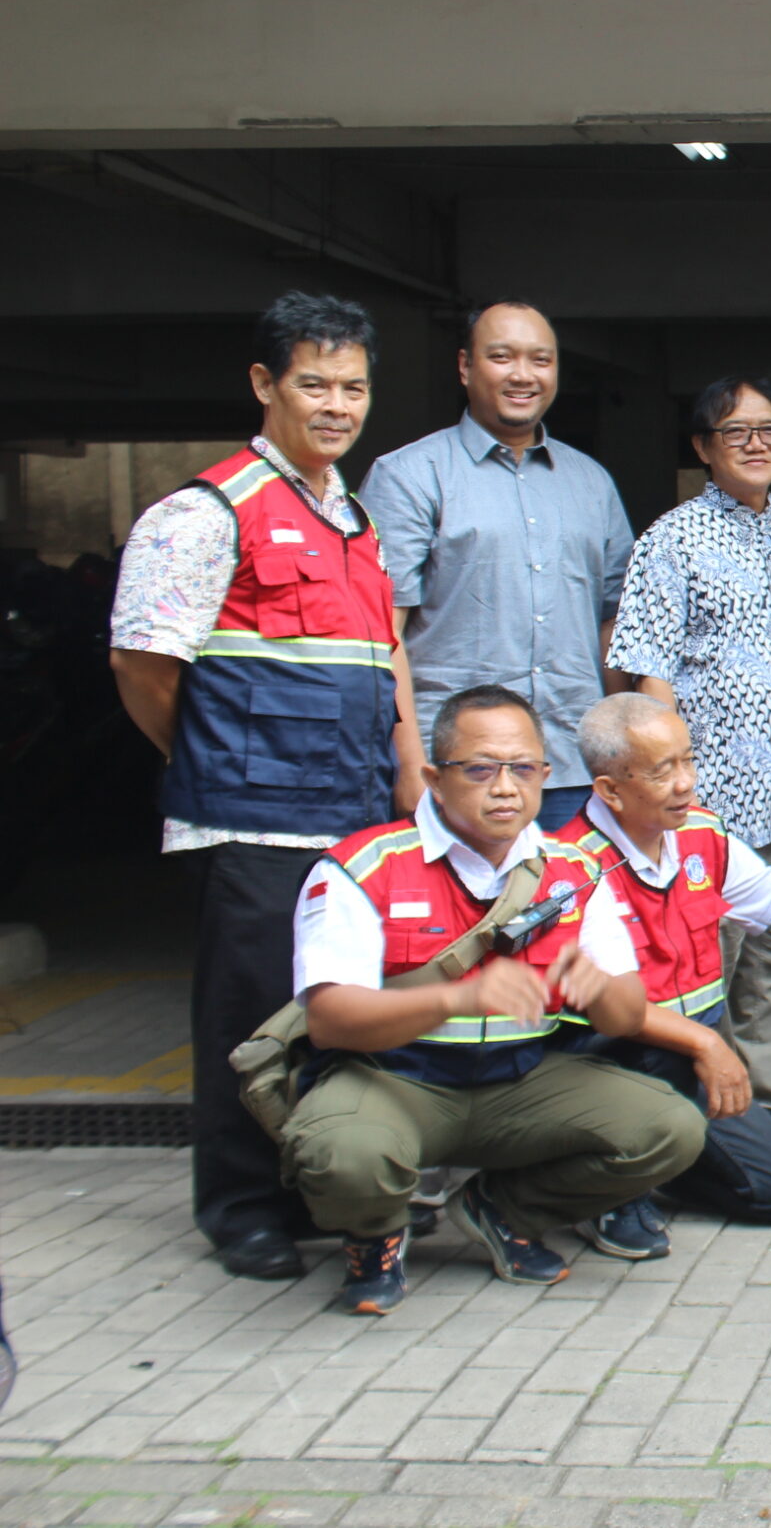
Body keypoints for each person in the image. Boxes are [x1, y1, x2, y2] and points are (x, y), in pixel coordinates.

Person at [107, 291, 425, 1282]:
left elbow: (386, 658)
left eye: (353, 387)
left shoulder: (355, 517)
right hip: (252, 819)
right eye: (314, 383)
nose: (336, 405)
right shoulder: (205, 513)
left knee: (334, 1012)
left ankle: (314, 1186)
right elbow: (142, 668)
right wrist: (207, 758)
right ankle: (243, 1208)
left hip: (354, 822)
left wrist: (409, 780)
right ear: (266, 384)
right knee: (249, 1021)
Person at [280, 686, 705, 1316]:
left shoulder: (574, 870)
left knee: (670, 1130)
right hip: (395, 1077)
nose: (505, 788)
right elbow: (330, 1020)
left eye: (523, 769)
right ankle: (375, 1234)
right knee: (344, 1156)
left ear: (544, 775)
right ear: (434, 778)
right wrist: (460, 998)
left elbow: (625, 1017)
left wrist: (600, 987)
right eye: (480, 769)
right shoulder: (361, 866)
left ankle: (502, 1210)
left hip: (520, 1079)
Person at [608, 375, 771, 1164]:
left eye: (770, 428)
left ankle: (770, 1117)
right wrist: (670, 790)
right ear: (704, 447)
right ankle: (699, 1127)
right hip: (711, 800)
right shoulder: (670, 540)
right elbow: (647, 674)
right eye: (735, 430)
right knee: (712, 962)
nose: (755, 442)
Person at [552, 693, 771, 1257]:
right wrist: (706, 1042)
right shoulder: (568, 866)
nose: (686, 783)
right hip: (610, 1061)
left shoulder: (699, 833)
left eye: (688, 760)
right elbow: (607, 1010)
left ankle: (656, 1165)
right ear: (608, 790)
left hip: (686, 1061)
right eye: (662, 771)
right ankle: (595, 1186)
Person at [363, 299, 634, 831]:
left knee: (574, 913)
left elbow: (614, 625)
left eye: (540, 359)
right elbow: (380, 635)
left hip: (571, 769)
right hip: (459, 770)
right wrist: (409, 765)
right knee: (458, 916)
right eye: (502, 357)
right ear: (465, 367)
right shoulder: (409, 476)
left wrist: (621, 755)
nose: (522, 375)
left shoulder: (591, 483)